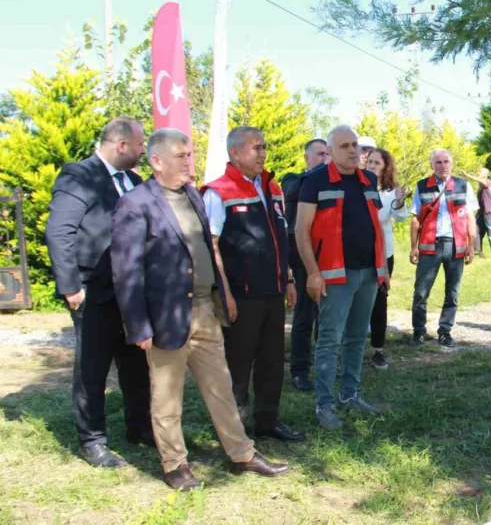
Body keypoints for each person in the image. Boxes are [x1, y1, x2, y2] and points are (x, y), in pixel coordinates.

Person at [111, 128, 289, 490]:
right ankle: (175, 465)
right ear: (157, 161)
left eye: (189, 155)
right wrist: (139, 326)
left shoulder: (192, 195)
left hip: (205, 309)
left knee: (220, 387)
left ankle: (241, 454)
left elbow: (209, 250)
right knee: (167, 395)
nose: (189, 162)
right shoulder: (135, 204)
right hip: (166, 316)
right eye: (181, 156)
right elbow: (126, 270)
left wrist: (222, 295)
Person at [45, 117, 153, 467]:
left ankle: (140, 426)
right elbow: (59, 232)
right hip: (93, 290)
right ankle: (92, 440)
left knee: (135, 362)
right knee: (93, 367)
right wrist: (70, 285)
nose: (143, 150)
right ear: (121, 145)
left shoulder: (135, 182)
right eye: (139, 144)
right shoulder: (80, 176)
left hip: (132, 291)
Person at [201, 126, 305, 442]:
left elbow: (279, 241)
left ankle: (267, 421)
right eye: (256, 148)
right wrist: (224, 294)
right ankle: (234, 429)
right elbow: (211, 246)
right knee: (238, 364)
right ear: (235, 153)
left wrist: (288, 278)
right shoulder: (218, 192)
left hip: (273, 291)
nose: (263, 153)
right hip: (241, 296)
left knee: (272, 361)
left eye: (264, 147)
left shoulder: (272, 188)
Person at [295, 124, 388, 430]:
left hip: (368, 274)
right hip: (334, 276)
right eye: (345, 146)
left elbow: (375, 224)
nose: (352, 151)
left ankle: (350, 395)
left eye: (356, 146)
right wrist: (312, 272)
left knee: (357, 337)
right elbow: (301, 230)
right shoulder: (315, 181)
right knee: (329, 339)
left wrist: (382, 267)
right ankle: (325, 403)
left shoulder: (368, 179)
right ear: (331, 151)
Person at [409, 149, 479, 347]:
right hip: (429, 246)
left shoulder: (463, 185)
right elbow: (415, 218)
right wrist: (413, 247)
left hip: (455, 246)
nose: (442, 166)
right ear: (432, 165)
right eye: (438, 162)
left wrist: (471, 246)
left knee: (452, 292)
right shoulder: (422, 186)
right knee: (421, 292)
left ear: (452, 163)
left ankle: (445, 331)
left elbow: (470, 218)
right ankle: (418, 331)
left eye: (446, 161)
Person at [281, 138, 329, 391]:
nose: (324, 159)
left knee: (327, 315)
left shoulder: (332, 183)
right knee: (304, 315)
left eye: (327, 155)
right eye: (320, 154)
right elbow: (291, 191)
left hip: (328, 255)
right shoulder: (294, 179)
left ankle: (324, 366)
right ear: (307, 158)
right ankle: (299, 369)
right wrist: (325, 169)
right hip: (301, 256)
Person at [366, 148, 408, 369]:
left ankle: (378, 350)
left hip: (384, 254)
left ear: (385, 167)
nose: (372, 166)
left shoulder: (390, 192)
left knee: (379, 301)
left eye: (376, 163)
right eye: (369, 162)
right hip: (359, 252)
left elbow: (400, 217)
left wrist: (400, 202)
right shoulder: (357, 187)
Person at [463, 168, 491, 259]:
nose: (478, 172)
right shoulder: (480, 185)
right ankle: (480, 252)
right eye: (478, 171)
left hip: (488, 212)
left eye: (480, 171)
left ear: (486, 173)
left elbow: (482, 181)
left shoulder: (488, 182)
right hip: (481, 212)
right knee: (476, 231)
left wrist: (468, 176)